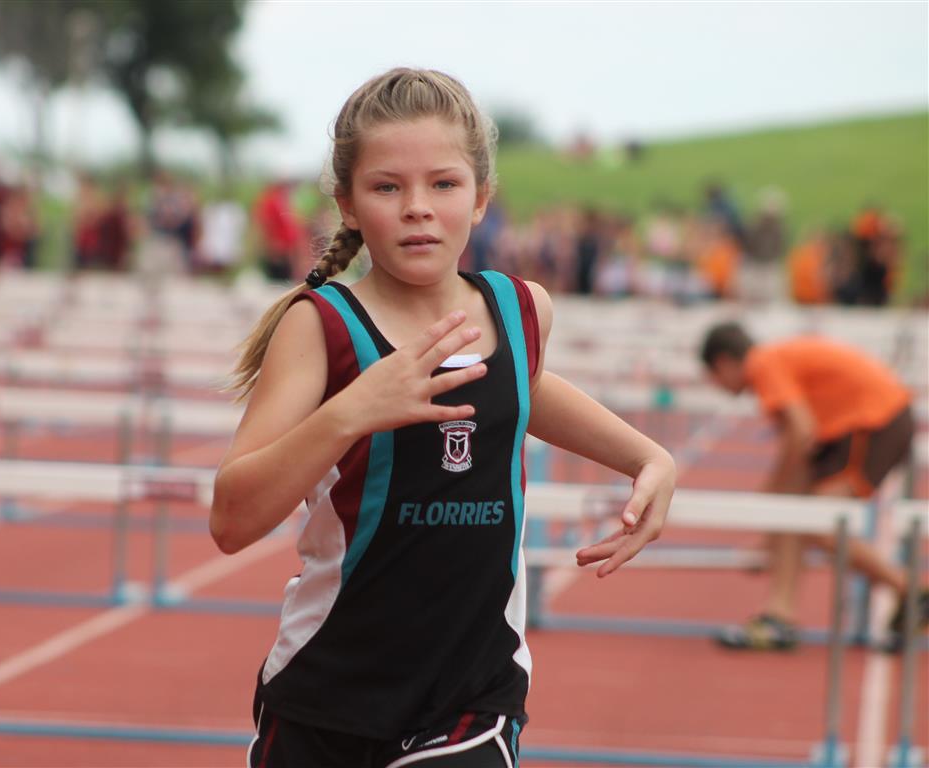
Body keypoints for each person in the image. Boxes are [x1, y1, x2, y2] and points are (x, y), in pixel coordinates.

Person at [212, 67, 676, 768]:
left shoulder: (522, 310)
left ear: (481, 198)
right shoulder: (320, 327)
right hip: (325, 692)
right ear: (347, 204)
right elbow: (232, 520)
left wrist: (649, 457)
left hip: (470, 698)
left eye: (444, 184)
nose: (417, 208)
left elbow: (519, 387)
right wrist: (352, 412)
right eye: (387, 187)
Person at [699, 322, 928, 652]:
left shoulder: (763, 363)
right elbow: (799, 454)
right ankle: (779, 617)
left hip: (875, 420)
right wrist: (769, 534)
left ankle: (912, 591)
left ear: (723, 363)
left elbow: (801, 432)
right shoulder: (777, 362)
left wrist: (766, 499)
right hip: (859, 423)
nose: (717, 387)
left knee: (822, 526)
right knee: (798, 514)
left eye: (713, 378)